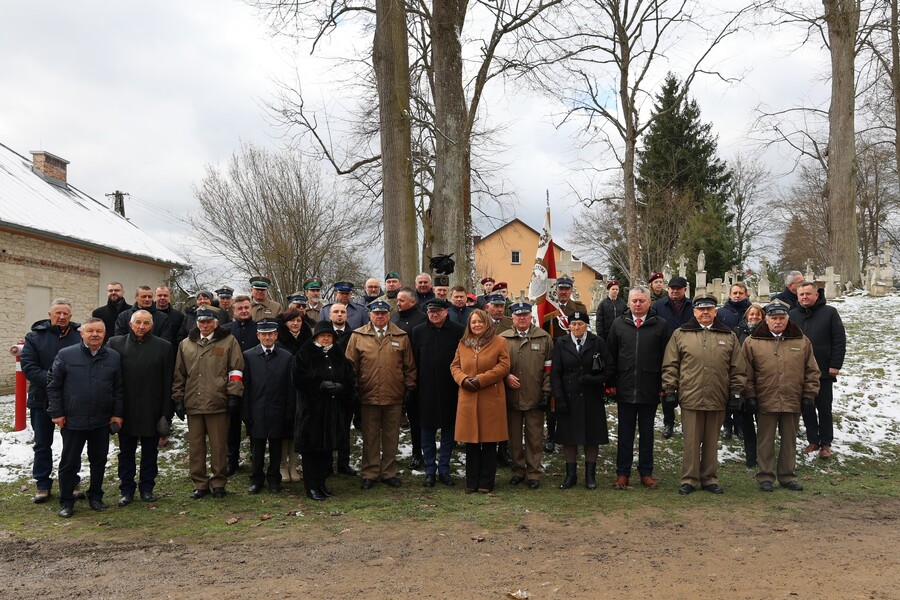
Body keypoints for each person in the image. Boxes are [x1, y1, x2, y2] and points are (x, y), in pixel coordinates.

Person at [662, 295, 746, 495]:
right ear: (694, 312)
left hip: (717, 396)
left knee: (711, 440)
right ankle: (689, 479)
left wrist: (736, 392)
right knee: (691, 441)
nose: (705, 312)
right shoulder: (681, 334)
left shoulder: (728, 335)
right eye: (701, 309)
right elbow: (671, 364)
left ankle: (709, 478)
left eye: (709, 309)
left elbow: (738, 367)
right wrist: (670, 389)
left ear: (715, 311)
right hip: (690, 396)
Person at [47, 318, 124, 517]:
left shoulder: (114, 357)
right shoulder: (66, 355)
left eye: (99, 331)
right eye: (90, 331)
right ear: (82, 333)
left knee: (98, 460)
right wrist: (57, 413)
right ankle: (66, 501)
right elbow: (54, 385)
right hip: (73, 420)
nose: (94, 334)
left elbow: (118, 389)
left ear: (104, 334)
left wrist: (117, 414)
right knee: (69, 462)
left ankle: (96, 496)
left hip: (101, 420)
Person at [742, 301, 820, 492]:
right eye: (774, 318)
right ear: (766, 320)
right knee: (765, 440)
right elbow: (746, 372)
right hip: (765, 399)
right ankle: (765, 476)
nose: (778, 322)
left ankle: (787, 476)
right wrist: (750, 396)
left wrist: (809, 395)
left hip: (792, 398)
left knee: (789, 440)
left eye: (781, 318)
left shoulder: (801, 341)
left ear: (787, 319)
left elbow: (812, 371)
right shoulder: (752, 342)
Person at [172, 308, 245, 499]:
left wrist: (233, 395)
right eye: (202, 322)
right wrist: (178, 398)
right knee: (196, 446)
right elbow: (179, 374)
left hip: (218, 402)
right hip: (193, 402)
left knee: (219, 445)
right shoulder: (185, 344)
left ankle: (219, 482)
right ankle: (200, 483)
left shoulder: (229, 341)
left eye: (209, 322)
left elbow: (236, 369)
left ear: (216, 323)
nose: (205, 326)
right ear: (197, 323)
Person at [345, 300, 416, 489]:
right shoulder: (358, 336)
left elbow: (409, 366)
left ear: (389, 315)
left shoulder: (401, 336)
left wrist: (409, 388)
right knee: (370, 436)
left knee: (392, 436)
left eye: (383, 314)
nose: (380, 316)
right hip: (367, 395)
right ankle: (369, 472)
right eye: (376, 313)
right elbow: (349, 366)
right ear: (370, 315)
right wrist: (353, 389)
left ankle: (389, 472)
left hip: (394, 395)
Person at [606, 287, 671, 489]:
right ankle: (622, 474)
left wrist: (663, 385)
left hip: (649, 388)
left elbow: (665, 358)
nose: (637, 304)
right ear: (628, 303)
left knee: (647, 434)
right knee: (625, 434)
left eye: (641, 300)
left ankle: (646, 473)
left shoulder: (660, 325)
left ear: (649, 302)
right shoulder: (619, 324)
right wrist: (610, 384)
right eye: (634, 300)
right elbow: (611, 356)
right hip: (625, 388)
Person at [107, 310, 174, 506]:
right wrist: (112, 411)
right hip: (124, 410)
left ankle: (147, 488)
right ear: (130, 324)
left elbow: (168, 380)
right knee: (126, 453)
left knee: (150, 452)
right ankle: (126, 489)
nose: (142, 326)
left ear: (152, 326)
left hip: (151, 409)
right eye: (138, 323)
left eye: (146, 323)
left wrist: (166, 414)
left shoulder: (164, 347)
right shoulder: (115, 344)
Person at [21, 299, 83, 504]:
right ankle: (42, 485)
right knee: (42, 444)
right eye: (58, 313)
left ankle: (72, 482)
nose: (62, 317)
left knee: (72, 445)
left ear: (70, 316)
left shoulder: (79, 336)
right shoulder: (34, 337)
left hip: (71, 399)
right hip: (42, 399)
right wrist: (53, 381)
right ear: (50, 314)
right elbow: (29, 366)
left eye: (66, 313)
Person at [550, 311, 612, 490]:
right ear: (568, 326)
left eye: (580, 324)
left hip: (592, 397)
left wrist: (595, 380)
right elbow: (556, 373)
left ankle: (590, 476)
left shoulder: (597, 342)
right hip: (568, 397)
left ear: (586, 326)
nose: (576, 327)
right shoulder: (561, 343)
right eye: (573, 324)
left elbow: (609, 369)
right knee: (569, 438)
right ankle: (571, 476)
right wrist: (558, 397)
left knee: (592, 437)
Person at [294, 321, 355, 500]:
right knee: (311, 450)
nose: (326, 339)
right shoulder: (305, 353)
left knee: (326, 450)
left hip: (332, 411)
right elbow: (298, 379)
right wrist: (319, 384)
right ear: (316, 337)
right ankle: (311, 487)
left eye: (329, 336)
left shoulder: (338, 353)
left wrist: (341, 386)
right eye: (323, 336)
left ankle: (321, 484)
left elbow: (349, 376)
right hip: (311, 411)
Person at [451, 309, 511, 493]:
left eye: (480, 322)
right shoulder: (463, 344)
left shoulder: (499, 342)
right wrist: (463, 379)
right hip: (468, 397)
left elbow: (504, 366)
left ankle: (486, 482)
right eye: (473, 322)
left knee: (489, 441)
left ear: (487, 324)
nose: (477, 325)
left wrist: (481, 379)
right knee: (471, 442)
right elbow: (454, 366)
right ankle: (471, 482)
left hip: (490, 397)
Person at [411, 298, 465, 487]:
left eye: (437, 311)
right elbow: (413, 362)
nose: (434, 314)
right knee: (426, 431)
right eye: (431, 311)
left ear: (446, 312)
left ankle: (444, 468)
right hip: (425, 390)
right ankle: (429, 470)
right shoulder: (418, 331)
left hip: (450, 388)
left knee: (448, 431)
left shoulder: (458, 331)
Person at [500, 301, 553, 489]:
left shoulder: (543, 337)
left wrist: (547, 392)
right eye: (517, 315)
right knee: (514, 437)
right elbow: (497, 365)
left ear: (531, 317)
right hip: (511, 397)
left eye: (525, 315)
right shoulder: (503, 339)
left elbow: (549, 368)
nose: (521, 318)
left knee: (534, 437)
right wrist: (505, 376)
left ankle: (533, 473)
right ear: (512, 318)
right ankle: (518, 470)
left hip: (535, 396)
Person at [790, 282, 846, 459]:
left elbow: (839, 339)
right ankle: (813, 440)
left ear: (816, 295)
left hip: (823, 371)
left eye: (808, 294)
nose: (804, 297)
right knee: (807, 407)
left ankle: (826, 443)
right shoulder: (792, 315)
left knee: (824, 408)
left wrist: (835, 365)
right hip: (801, 372)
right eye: (801, 295)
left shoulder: (829, 313)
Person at [241, 319, 294, 495]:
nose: (267, 337)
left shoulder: (286, 357)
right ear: (258, 336)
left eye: (271, 334)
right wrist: (246, 412)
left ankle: (274, 480)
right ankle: (256, 479)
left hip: (278, 411)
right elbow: (246, 387)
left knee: (276, 449)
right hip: (256, 411)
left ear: (276, 336)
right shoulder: (248, 356)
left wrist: (288, 412)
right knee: (257, 449)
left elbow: (290, 388)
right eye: (264, 334)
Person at [389, 288, 427, 470]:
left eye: (402, 300)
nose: (398, 303)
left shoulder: (422, 319)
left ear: (412, 302)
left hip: (418, 375)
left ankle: (419, 452)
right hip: (396, 375)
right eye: (397, 300)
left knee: (417, 417)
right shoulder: (394, 319)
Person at [653, 276, 694, 438]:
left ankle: (686, 423)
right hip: (665, 352)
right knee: (667, 390)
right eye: (672, 288)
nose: (675, 291)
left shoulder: (692, 306)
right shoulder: (658, 306)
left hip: (689, 353)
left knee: (687, 389)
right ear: (668, 289)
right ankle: (668, 423)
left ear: (685, 290)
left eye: (679, 288)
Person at [325, 301, 356, 476]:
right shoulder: (323, 334)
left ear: (347, 315)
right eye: (335, 312)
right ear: (330, 315)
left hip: (346, 388)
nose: (339, 315)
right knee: (327, 427)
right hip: (327, 389)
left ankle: (343, 463)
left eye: (342, 312)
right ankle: (327, 464)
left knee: (344, 427)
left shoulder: (354, 335)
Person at [734, 303, 765, 467]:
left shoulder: (766, 334)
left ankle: (763, 455)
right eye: (751, 315)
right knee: (746, 423)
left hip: (762, 384)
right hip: (743, 382)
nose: (754, 317)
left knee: (763, 424)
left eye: (757, 315)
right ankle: (750, 457)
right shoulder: (738, 332)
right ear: (746, 317)